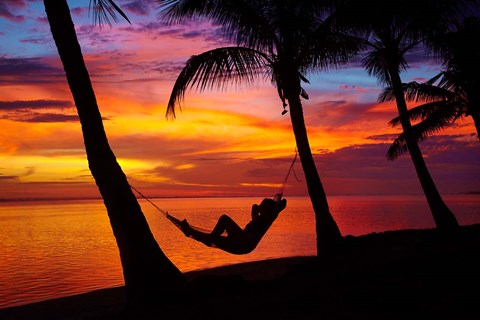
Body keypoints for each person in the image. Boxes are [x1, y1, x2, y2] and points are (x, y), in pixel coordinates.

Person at [180, 197, 287, 254]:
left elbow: (284, 202)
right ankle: (189, 232)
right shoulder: (258, 220)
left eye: (263, 206)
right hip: (240, 242)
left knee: (224, 219)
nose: (260, 208)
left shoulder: (267, 219)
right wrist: (260, 206)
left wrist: (274, 207)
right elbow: (254, 207)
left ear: (267, 210)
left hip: (244, 243)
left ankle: (207, 238)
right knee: (216, 239)